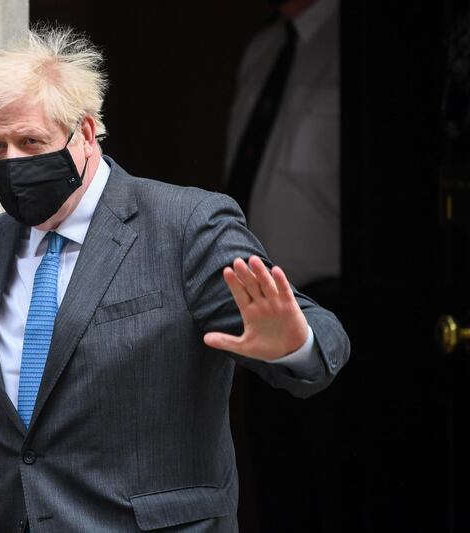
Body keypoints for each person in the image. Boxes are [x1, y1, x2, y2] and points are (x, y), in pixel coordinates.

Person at [0, 27, 349, 533]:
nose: (13, 163)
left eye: (31, 142)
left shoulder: (185, 227)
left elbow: (322, 336)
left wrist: (294, 343)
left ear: (87, 133)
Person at [224, 1, 345, 530]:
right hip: (254, 304)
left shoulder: (354, 43)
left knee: (336, 487)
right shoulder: (262, 49)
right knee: (276, 482)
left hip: (337, 306)